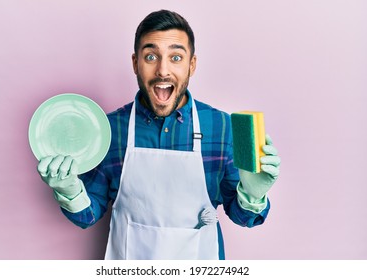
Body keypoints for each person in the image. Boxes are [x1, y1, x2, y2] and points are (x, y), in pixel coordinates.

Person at [37, 9, 281, 260]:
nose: (163, 70)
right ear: (135, 63)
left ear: (192, 65)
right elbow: (88, 216)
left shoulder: (222, 127)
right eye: (151, 56)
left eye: (176, 57)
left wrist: (253, 194)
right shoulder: (109, 130)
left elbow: (243, 217)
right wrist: (69, 190)